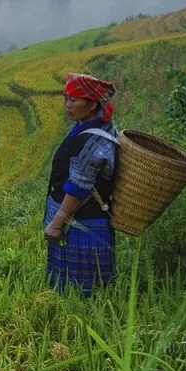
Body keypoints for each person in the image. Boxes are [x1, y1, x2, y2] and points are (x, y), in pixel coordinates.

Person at [44, 73, 118, 296]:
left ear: (92, 103)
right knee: (75, 293)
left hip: (82, 226)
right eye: (66, 98)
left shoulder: (92, 139)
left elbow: (80, 185)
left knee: (82, 295)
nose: (67, 105)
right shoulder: (91, 127)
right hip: (79, 223)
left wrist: (57, 223)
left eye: (73, 100)